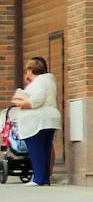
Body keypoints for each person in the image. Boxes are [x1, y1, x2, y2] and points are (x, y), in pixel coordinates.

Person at [10, 57, 61, 186]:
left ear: (31, 70)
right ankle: (44, 178)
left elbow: (37, 100)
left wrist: (21, 103)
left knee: (36, 150)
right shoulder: (48, 81)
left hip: (37, 121)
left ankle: (38, 179)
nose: (26, 74)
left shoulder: (39, 82)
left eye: (27, 71)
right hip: (49, 119)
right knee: (46, 149)